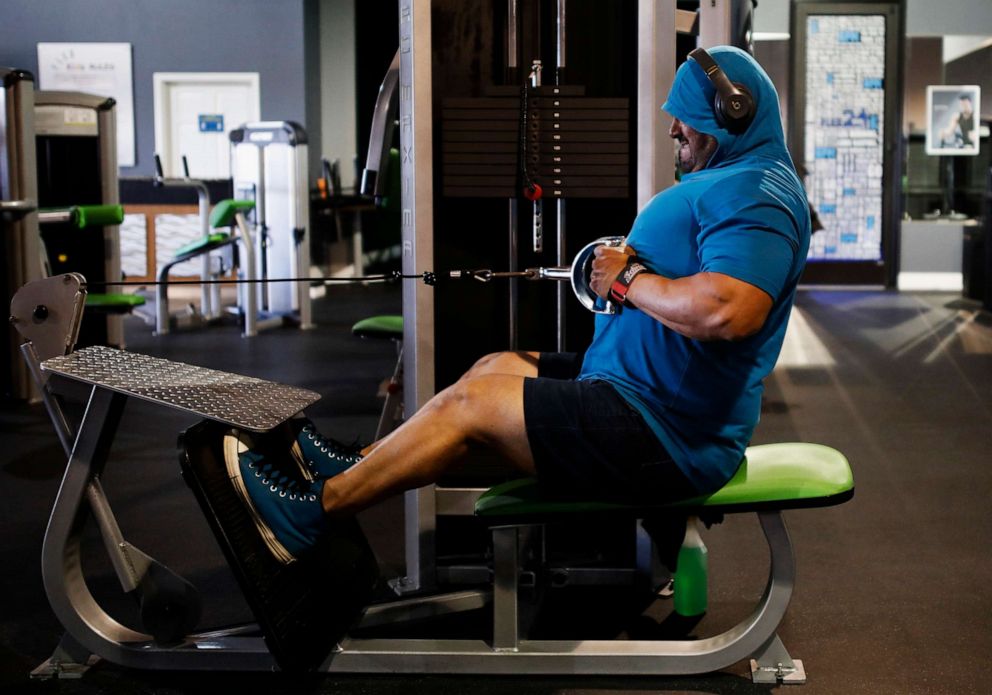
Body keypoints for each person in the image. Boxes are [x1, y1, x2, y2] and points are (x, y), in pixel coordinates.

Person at [224, 45, 812, 566]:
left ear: (731, 113)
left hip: (665, 433)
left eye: (685, 123)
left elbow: (729, 310)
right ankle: (350, 466)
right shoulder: (743, 179)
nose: (675, 131)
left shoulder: (757, 195)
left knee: (473, 404)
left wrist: (628, 279)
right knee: (493, 367)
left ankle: (312, 513)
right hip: (636, 393)